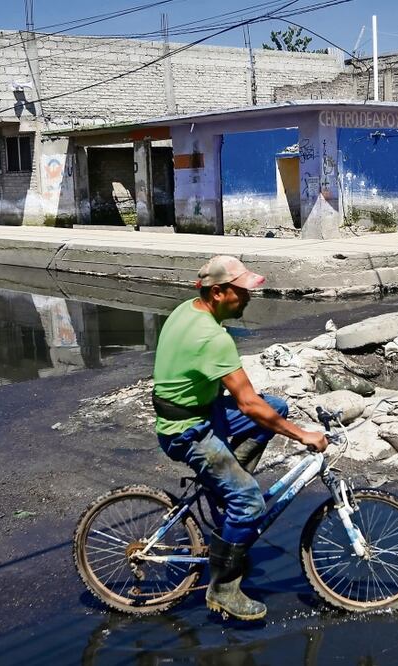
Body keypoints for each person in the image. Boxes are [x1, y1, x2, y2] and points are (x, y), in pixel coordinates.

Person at [152, 255, 328, 622]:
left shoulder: (187, 309)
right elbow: (248, 404)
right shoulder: (213, 338)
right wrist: (302, 435)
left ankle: (224, 489)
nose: (248, 297)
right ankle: (223, 590)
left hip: (197, 410)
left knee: (276, 407)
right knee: (249, 501)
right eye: (242, 291)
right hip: (187, 429)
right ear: (218, 292)